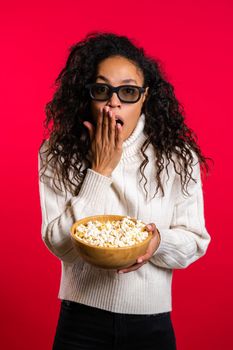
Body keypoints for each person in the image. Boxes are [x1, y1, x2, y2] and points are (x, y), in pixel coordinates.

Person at [38, 31, 211, 350]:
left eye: (128, 91)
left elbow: (196, 240)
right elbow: (60, 245)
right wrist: (99, 170)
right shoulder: (56, 152)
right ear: (88, 95)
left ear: (144, 96)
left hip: (152, 323)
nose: (114, 101)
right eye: (102, 89)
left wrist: (156, 241)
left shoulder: (177, 156)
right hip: (81, 322)